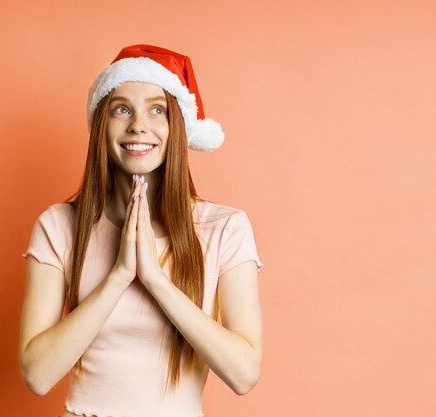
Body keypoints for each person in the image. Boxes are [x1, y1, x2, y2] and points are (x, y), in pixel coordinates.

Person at [19, 44, 264, 417]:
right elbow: (38, 375)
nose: (138, 125)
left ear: (176, 126)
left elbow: (244, 374)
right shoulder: (58, 226)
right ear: (102, 124)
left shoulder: (224, 229)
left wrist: (155, 280)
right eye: (122, 109)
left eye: (157, 110)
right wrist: (119, 276)